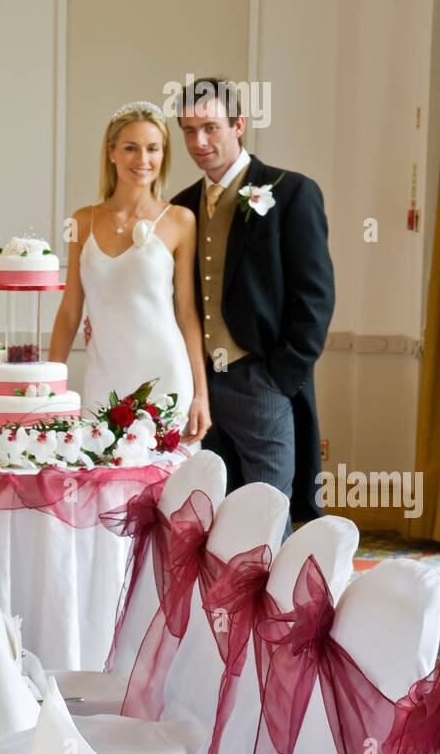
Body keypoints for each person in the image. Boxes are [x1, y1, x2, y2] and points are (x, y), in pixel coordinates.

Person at [172, 76, 334, 524]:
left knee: (266, 516)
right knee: (210, 515)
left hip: (261, 380)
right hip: (197, 387)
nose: (198, 141)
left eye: (210, 128)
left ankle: (270, 598)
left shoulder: (291, 193)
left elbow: (315, 297)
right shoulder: (181, 206)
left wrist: (281, 377)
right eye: (188, 130)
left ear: (238, 124)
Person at [50, 100, 210, 443]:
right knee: (102, 486)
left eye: (153, 149)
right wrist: (51, 390)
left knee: (167, 491)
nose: (143, 160)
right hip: (103, 376)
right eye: (130, 148)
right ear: (111, 152)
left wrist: (201, 394)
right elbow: (69, 313)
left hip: (167, 376)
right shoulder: (81, 221)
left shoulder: (181, 220)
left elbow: (186, 312)